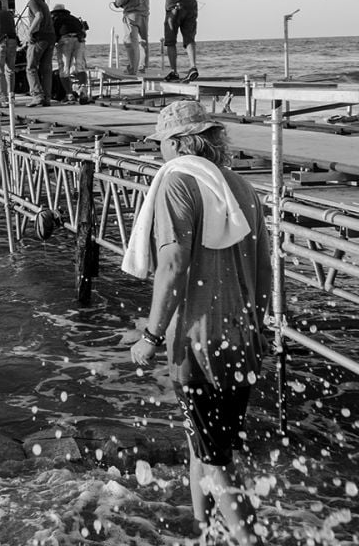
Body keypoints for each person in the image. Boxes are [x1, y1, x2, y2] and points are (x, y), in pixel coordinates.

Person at [121, 100, 271, 545]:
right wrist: (258, 329)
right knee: (203, 446)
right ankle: (206, 535)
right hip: (241, 338)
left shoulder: (176, 183)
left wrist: (151, 333)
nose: (159, 154)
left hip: (197, 343)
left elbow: (172, 263)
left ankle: (249, 540)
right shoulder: (242, 188)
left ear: (178, 143)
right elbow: (264, 272)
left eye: (162, 144)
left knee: (217, 459)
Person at [112, 0, 151, 75]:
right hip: (144, 14)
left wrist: (117, 3)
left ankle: (132, 69)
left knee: (130, 41)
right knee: (143, 41)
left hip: (131, 14)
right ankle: (142, 66)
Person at [23, 0, 56, 107]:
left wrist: (29, 32)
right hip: (50, 37)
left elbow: (39, 16)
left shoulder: (33, 1)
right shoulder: (44, 3)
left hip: (39, 37)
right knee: (46, 69)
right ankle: (47, 97)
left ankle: (37, 96)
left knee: (31, 67)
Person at [50, 3, 87, 102]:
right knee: (80, 66)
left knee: (64, 69)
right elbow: (83, 31)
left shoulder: (56, 19)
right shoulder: (74, 18)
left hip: (65, 40)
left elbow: (53, 34)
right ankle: (83, 90)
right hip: (79, 40)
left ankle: (69, 94)